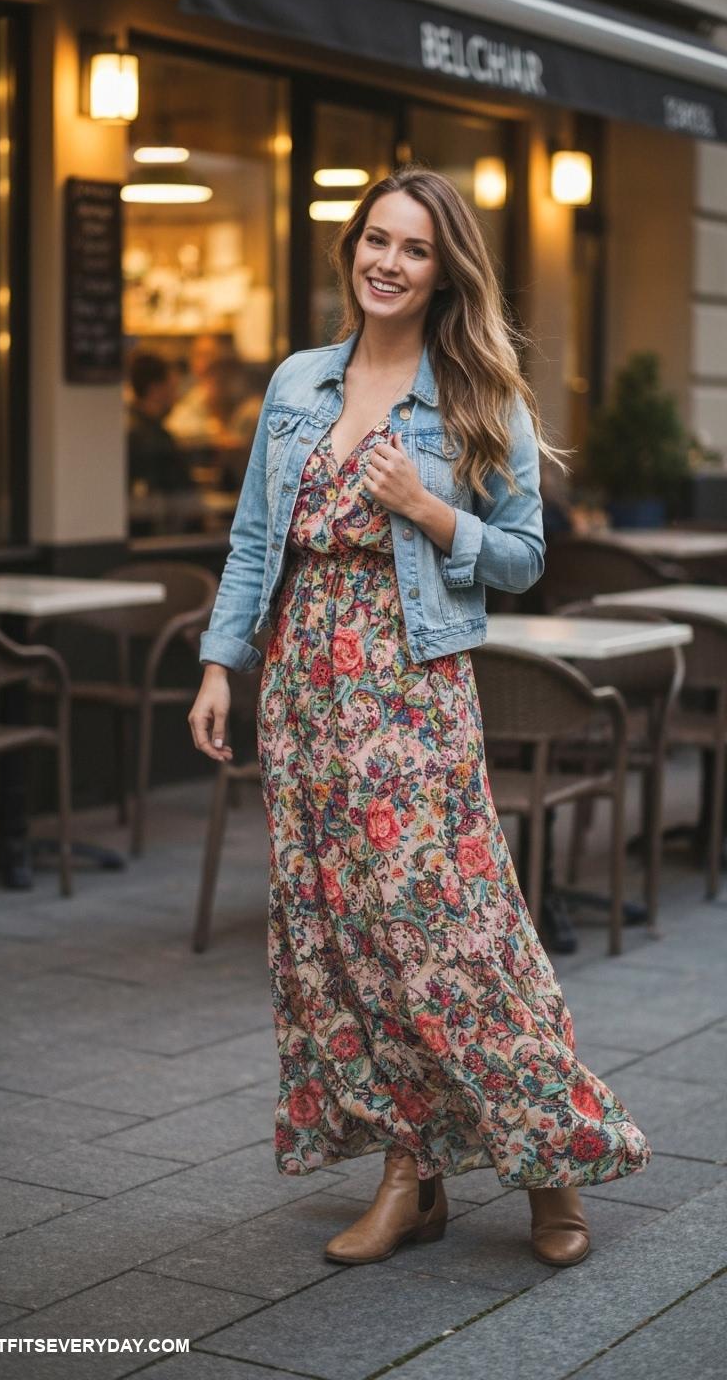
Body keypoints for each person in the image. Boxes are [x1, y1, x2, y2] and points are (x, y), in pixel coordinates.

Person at [188, 167, 651, 1270]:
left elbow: (530, 559)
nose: (388, 262)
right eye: (375, 240)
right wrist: (220, 663)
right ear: (352, 249)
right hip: (301, 686)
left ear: (447, 270)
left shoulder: (480, 392)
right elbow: (258, 539)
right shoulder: (301, 382)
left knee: (453, 933)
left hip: (409, 687)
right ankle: (413, 1172)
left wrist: (433, 511)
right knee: (346, 941)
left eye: (415, 248)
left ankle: (550, 1160)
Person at [125, 351, 197, 531]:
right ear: (155, 390)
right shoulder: (153, 438)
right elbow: (179, 493)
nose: (176, 397)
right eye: (172, 389)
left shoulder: (130, 428)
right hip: (158, 532)